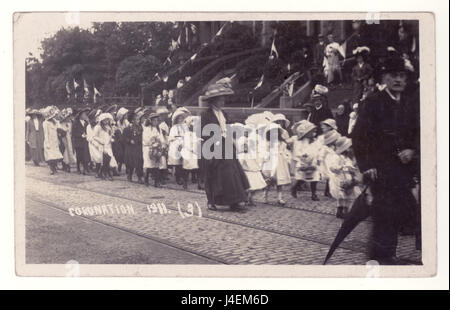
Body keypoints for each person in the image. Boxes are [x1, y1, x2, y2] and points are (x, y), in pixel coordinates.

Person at [351, 55, 419, 265]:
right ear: (385, 78)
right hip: (381, 169)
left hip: (404, 169)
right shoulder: (373, 102)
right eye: (393, 76)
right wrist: (367, 165)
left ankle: (387, 254)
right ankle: (380, 258)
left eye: (402, 76)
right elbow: (359, 136)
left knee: (400, 212)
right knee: (384, 213)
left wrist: (413, 150)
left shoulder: (409, 102)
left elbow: (419, 131)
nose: (398, 80)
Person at [199, 80, 250, 211]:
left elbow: (228, 129)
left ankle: (233, 201)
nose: (223, 102)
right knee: (211, 174)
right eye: (220, 100)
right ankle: (211, 201)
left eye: (223, 100)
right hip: (211, 146)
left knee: (231, 172)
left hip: (226, 146)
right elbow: (204, 133)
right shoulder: (205, 115)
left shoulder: (224, 114)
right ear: (213, 101)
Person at [326, 136, 362, 218]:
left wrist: (351, 169)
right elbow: (332, 168)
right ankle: (340, 210)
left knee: (347, 195)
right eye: (349, 148)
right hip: (339, 178)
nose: (350, 149)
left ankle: (345, 210)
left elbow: (351, 166)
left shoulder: (348, 158)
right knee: (341, 195)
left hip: (347, 177)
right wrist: (341, 167)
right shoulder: (337, 157)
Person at [291, 121, 321, 201]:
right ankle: (295, 187)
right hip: (303, 161)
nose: (314, 133)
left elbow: (317, 150)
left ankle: (314, 194)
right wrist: (303, 157)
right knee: (301, 177)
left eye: (314, 131)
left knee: (314, 178)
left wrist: (316, 158)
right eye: (312, 131)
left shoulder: (315, 141)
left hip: (313, 161)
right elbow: (297, 152)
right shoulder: (299, 142)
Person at [143, 112, 167, 187]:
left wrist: (161, 144)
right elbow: (145, 139)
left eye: (157, 120)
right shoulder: (146, 129)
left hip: (156, 148)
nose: (156, 122)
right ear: (151, 121)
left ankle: (157, 182)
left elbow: (160, 138)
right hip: (148, 148)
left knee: (156, 164)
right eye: (154, 120)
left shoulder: (157, 129)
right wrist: (152, 142)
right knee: (148, 164)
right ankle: (146, 179)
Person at [180, 116, 202, 190]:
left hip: (194, 153)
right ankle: (185, 184)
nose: (193, 127)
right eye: (192, 126)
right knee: (187, 169)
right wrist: (193, 148)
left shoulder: (194, 134)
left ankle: (199, 184)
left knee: (197, 169)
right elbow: (187, 144)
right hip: (188, 153)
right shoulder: (186, 134)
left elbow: (196, 140)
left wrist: (199, 141)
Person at [123, 110, 144, 184]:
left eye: (138, 119)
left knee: (139, 163)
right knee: (130, 163)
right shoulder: (127, 129)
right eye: (136, 119)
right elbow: (124, 138)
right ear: (132, 120)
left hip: (138, 148)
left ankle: (139, 177)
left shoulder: (140, 128)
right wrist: (129, 141)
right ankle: (129, 174)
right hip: (130, 149)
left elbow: (142, 136)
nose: (138, 121)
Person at [42, 106, 63, 175]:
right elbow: (46, 134)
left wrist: (57, 123)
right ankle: (52, 168)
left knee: (55, 155)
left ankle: (54, 167)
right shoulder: (45, 123)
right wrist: (47, 143)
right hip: (49, 140)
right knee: (50, 156)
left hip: (55, 140)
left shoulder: (55, 122)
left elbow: (59, 129)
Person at [94, 113, 115, 181]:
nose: (106, 121)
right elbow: (94, 136)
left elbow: (110, 135)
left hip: (108, 145)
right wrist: (101, 141)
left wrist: (111, 138)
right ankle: (105, 173)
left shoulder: (109, 127)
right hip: (102, 145)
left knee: (109, 159)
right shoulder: (98, 127)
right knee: (105, 159)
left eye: (107, 120)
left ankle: (103, 172)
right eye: (104, 120)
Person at [72, 107, 91, 174]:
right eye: (83, 115)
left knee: (84, 155)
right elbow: (73, 132)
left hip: (85, 141)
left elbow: (88, 130)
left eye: (85, 114)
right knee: (79, 155)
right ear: (80, 115)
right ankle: (78, 167)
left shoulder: (86, 123)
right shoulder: (75, 123)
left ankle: (85, 168)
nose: (84, 116)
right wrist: (80, 135)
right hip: (78, 142)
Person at [59, 108, 76, 173]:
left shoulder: (70, 123)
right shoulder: (61, 124)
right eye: (68, 117)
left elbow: (71, 131)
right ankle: (65, 165)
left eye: (70, 116)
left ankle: (68, 164)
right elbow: (60, 132)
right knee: (64, 151)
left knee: (69, 151)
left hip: (70, 138)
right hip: (64, 139)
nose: (69, 118)